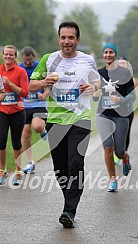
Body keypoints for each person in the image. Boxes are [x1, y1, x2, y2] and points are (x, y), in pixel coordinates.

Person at [29, 21, 101, 228]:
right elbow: (31, 84)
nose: (66, 41)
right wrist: (45, 82)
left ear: (78, 40)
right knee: (60, 169)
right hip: (55, 120)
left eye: (71, 37)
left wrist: (91, 87)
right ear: (59, 39)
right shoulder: (48, 59)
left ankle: (69, 210)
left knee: (76, 163)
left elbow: (97, 84)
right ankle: (68, 201)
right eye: (63, 37)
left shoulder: (87, 60)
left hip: (80, 119)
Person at [93, 43, 135, 192]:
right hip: (103, 114)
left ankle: (125, 157)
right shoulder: (99, 73)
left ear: (115, 54)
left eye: (111, 52)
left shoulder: (125, 73)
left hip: (121, 116)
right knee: (108, 148)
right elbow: (94, 94)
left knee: (118, 151)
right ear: (103, 54)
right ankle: (112, 179)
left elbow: (133, 95)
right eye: (106, 52)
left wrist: (121, 100)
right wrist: (94, 94)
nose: (108, 55)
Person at [0, 45, 29, 186]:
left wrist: (10, 84)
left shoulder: (20, 71)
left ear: (15, 56)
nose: (8, 57)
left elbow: (25, 93)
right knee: (1, 142)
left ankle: (18, 171)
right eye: (6, 54)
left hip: (17, 112)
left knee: (16, 143)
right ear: (2, 55)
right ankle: (2, 170)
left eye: (11, 54)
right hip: (2, 111)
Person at [19, 47, 49, 174]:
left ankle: (43, 130)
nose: (27, 63)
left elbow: (49, 86)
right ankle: (30, 162)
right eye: (25, 60)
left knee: (37, 126)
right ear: (22, 58)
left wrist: (45, 95)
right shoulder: (20, 68)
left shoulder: (39, 67)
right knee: (25, 133)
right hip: (24, 105)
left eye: (30, 60)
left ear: (34, 57)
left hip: (39, 104)